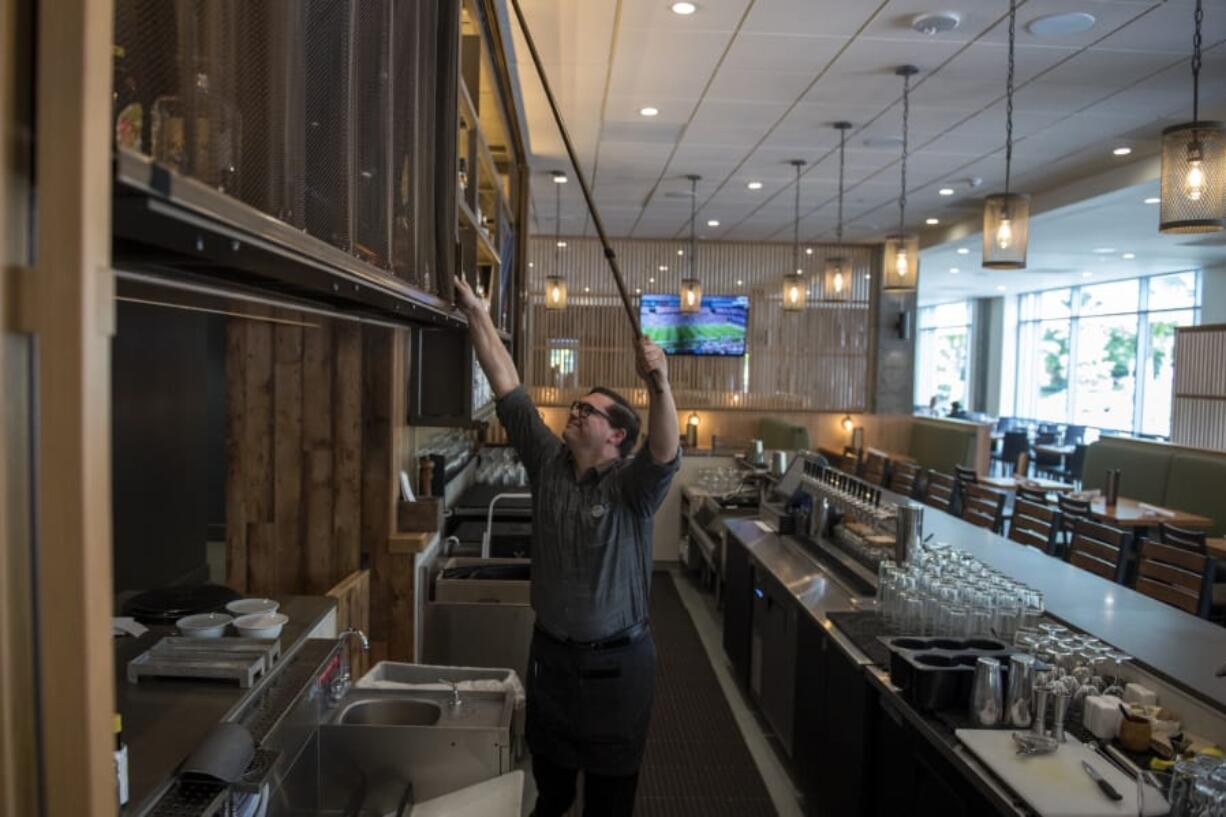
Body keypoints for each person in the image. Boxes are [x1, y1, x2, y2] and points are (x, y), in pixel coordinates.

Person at [454, 276, 680, 817]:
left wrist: (660, 385)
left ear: (617, 436)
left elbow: (666, 449)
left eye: (589, 410)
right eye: (576, 405)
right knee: (550, 794)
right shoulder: (547, 463)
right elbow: (506, 384)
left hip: (620, 666)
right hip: (551, 658)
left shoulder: (632, 487)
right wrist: (477, 314)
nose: (575, 411)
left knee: (609, 803)